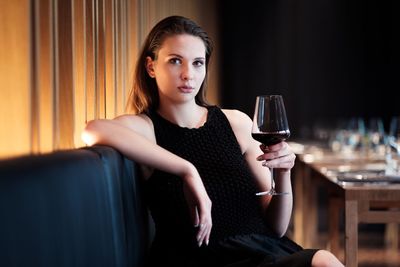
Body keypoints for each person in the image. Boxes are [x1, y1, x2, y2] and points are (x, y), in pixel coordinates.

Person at [82, 15, 344, 267]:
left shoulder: (236, 123)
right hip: (196, 259)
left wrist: (283, 172)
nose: (188, 74)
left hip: (262, 253)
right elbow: (93, 130)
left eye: (197, 63)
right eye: (175, 61)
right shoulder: (146, 128)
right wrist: (187, 170)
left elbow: (276, 228)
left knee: (324, 260)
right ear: (151, 66)